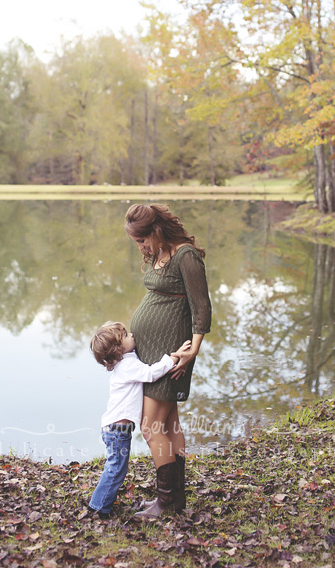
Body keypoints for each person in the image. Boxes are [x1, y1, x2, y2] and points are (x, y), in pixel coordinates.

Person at [125, 203, 212, 518]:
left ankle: (165, 503)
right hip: (152, 351)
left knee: (150, 428)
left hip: (172, 351)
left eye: (142, 239)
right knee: (169, 421)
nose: (140, 246)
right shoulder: (161, 253)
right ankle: (176, 500)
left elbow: (201, 306)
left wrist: (194, 350)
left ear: (156, 231)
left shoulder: (185, 256)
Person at [87, 321, 191, 520]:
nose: (131, 335)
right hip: (117, 430)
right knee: (116, 467)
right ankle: (98, 507)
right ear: (118, 349)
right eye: (125, 335)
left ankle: (102, 504)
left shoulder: (126, 361)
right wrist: (173, 357)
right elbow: (150, 374)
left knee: (117, 467)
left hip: (116, 429)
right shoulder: (127, 366)